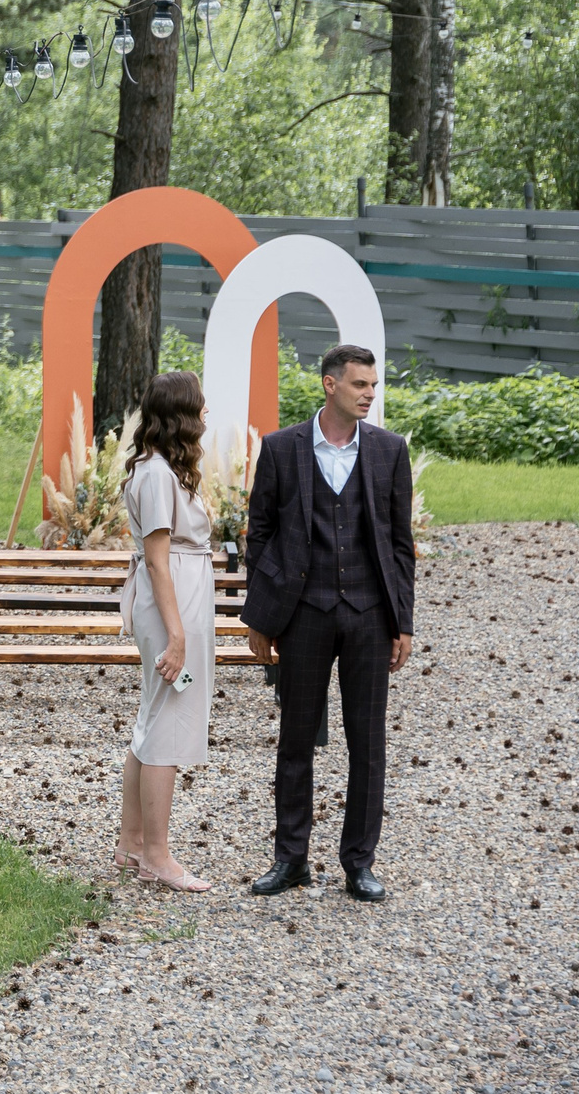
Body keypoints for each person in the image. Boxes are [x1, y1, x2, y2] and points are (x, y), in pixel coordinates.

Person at [242, 342, 415, 902]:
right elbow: (260, 535)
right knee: (296, 740)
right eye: (360, 384)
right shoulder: (281, 448)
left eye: (373, 385)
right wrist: (262, 616)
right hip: (303, 615)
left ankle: (359, 863)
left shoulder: (389, 450)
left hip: (369, 616)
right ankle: (290, 859)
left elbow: (401, 544)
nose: (369, 394)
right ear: (330, 384)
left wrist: (403, 621)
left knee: (368, 743)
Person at [114, 370, 219, 891]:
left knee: (154, 717)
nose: (206, 413)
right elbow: (157, 561)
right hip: (172, 602)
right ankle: (157, 854)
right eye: (199, 405)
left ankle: (132, 843)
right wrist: (177, 636)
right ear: (181, 414)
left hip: (179, 596)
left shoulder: (160, 469)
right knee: (169, 724)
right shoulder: (156, 474)